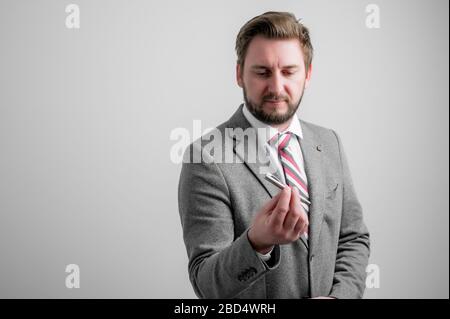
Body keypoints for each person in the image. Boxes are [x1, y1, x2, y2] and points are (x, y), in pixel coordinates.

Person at [178, 11, 370, 299]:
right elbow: (207, 284)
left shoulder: (329, 142)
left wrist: (338, 297)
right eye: (262, 72)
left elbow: (353, 238)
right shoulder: (206, 157)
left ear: (308, 74)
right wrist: (257, 243)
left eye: (289, 71)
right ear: (239, 74)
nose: (277, 87)